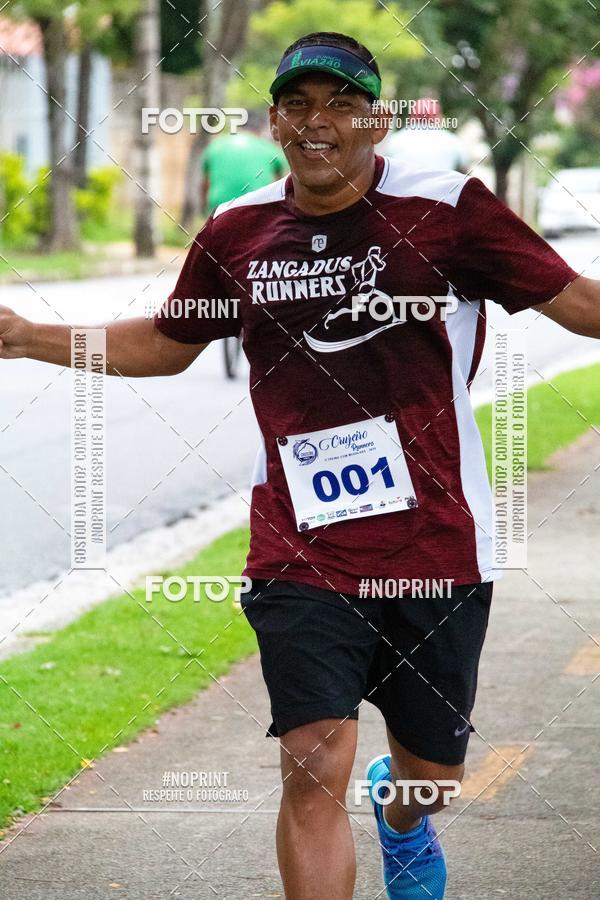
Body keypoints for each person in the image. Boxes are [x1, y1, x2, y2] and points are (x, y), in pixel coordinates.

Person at [1, 30, 599, 900]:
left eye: (342, 105)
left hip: (436, 541)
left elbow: (577, 301)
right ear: (276, 120)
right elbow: (166, 345)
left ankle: (403, 814)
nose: (317, 122)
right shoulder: (238, 230)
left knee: (432, 771)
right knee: (314, 762)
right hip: (300, 543)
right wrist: (24, 338)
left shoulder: (450, 209)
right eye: (297, 104)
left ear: (375, 122)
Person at [200, 110, 287, 214]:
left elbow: (205, 183)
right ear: (259, 129)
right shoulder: (269, 149)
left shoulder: (216, 145)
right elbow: (282, 185)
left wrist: (204, 209)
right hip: (256, 209)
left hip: (218, 208)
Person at [382, 97, 468, 172]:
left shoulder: (395, 140)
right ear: (438, 117)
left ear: (411, 116)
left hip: (401, 189)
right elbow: (465, 171)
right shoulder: (452, 141)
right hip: (441, 190)